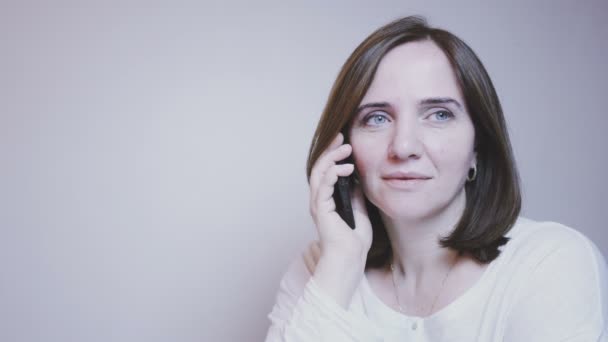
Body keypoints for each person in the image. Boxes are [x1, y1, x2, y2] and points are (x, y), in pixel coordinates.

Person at [264, 15, 607, 341]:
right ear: (345, 148)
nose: (404, 146)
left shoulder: (549, 264)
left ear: (478, 147)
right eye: (377, 118)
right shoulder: (319, 267)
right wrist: (341, 262)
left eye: (439, 114)